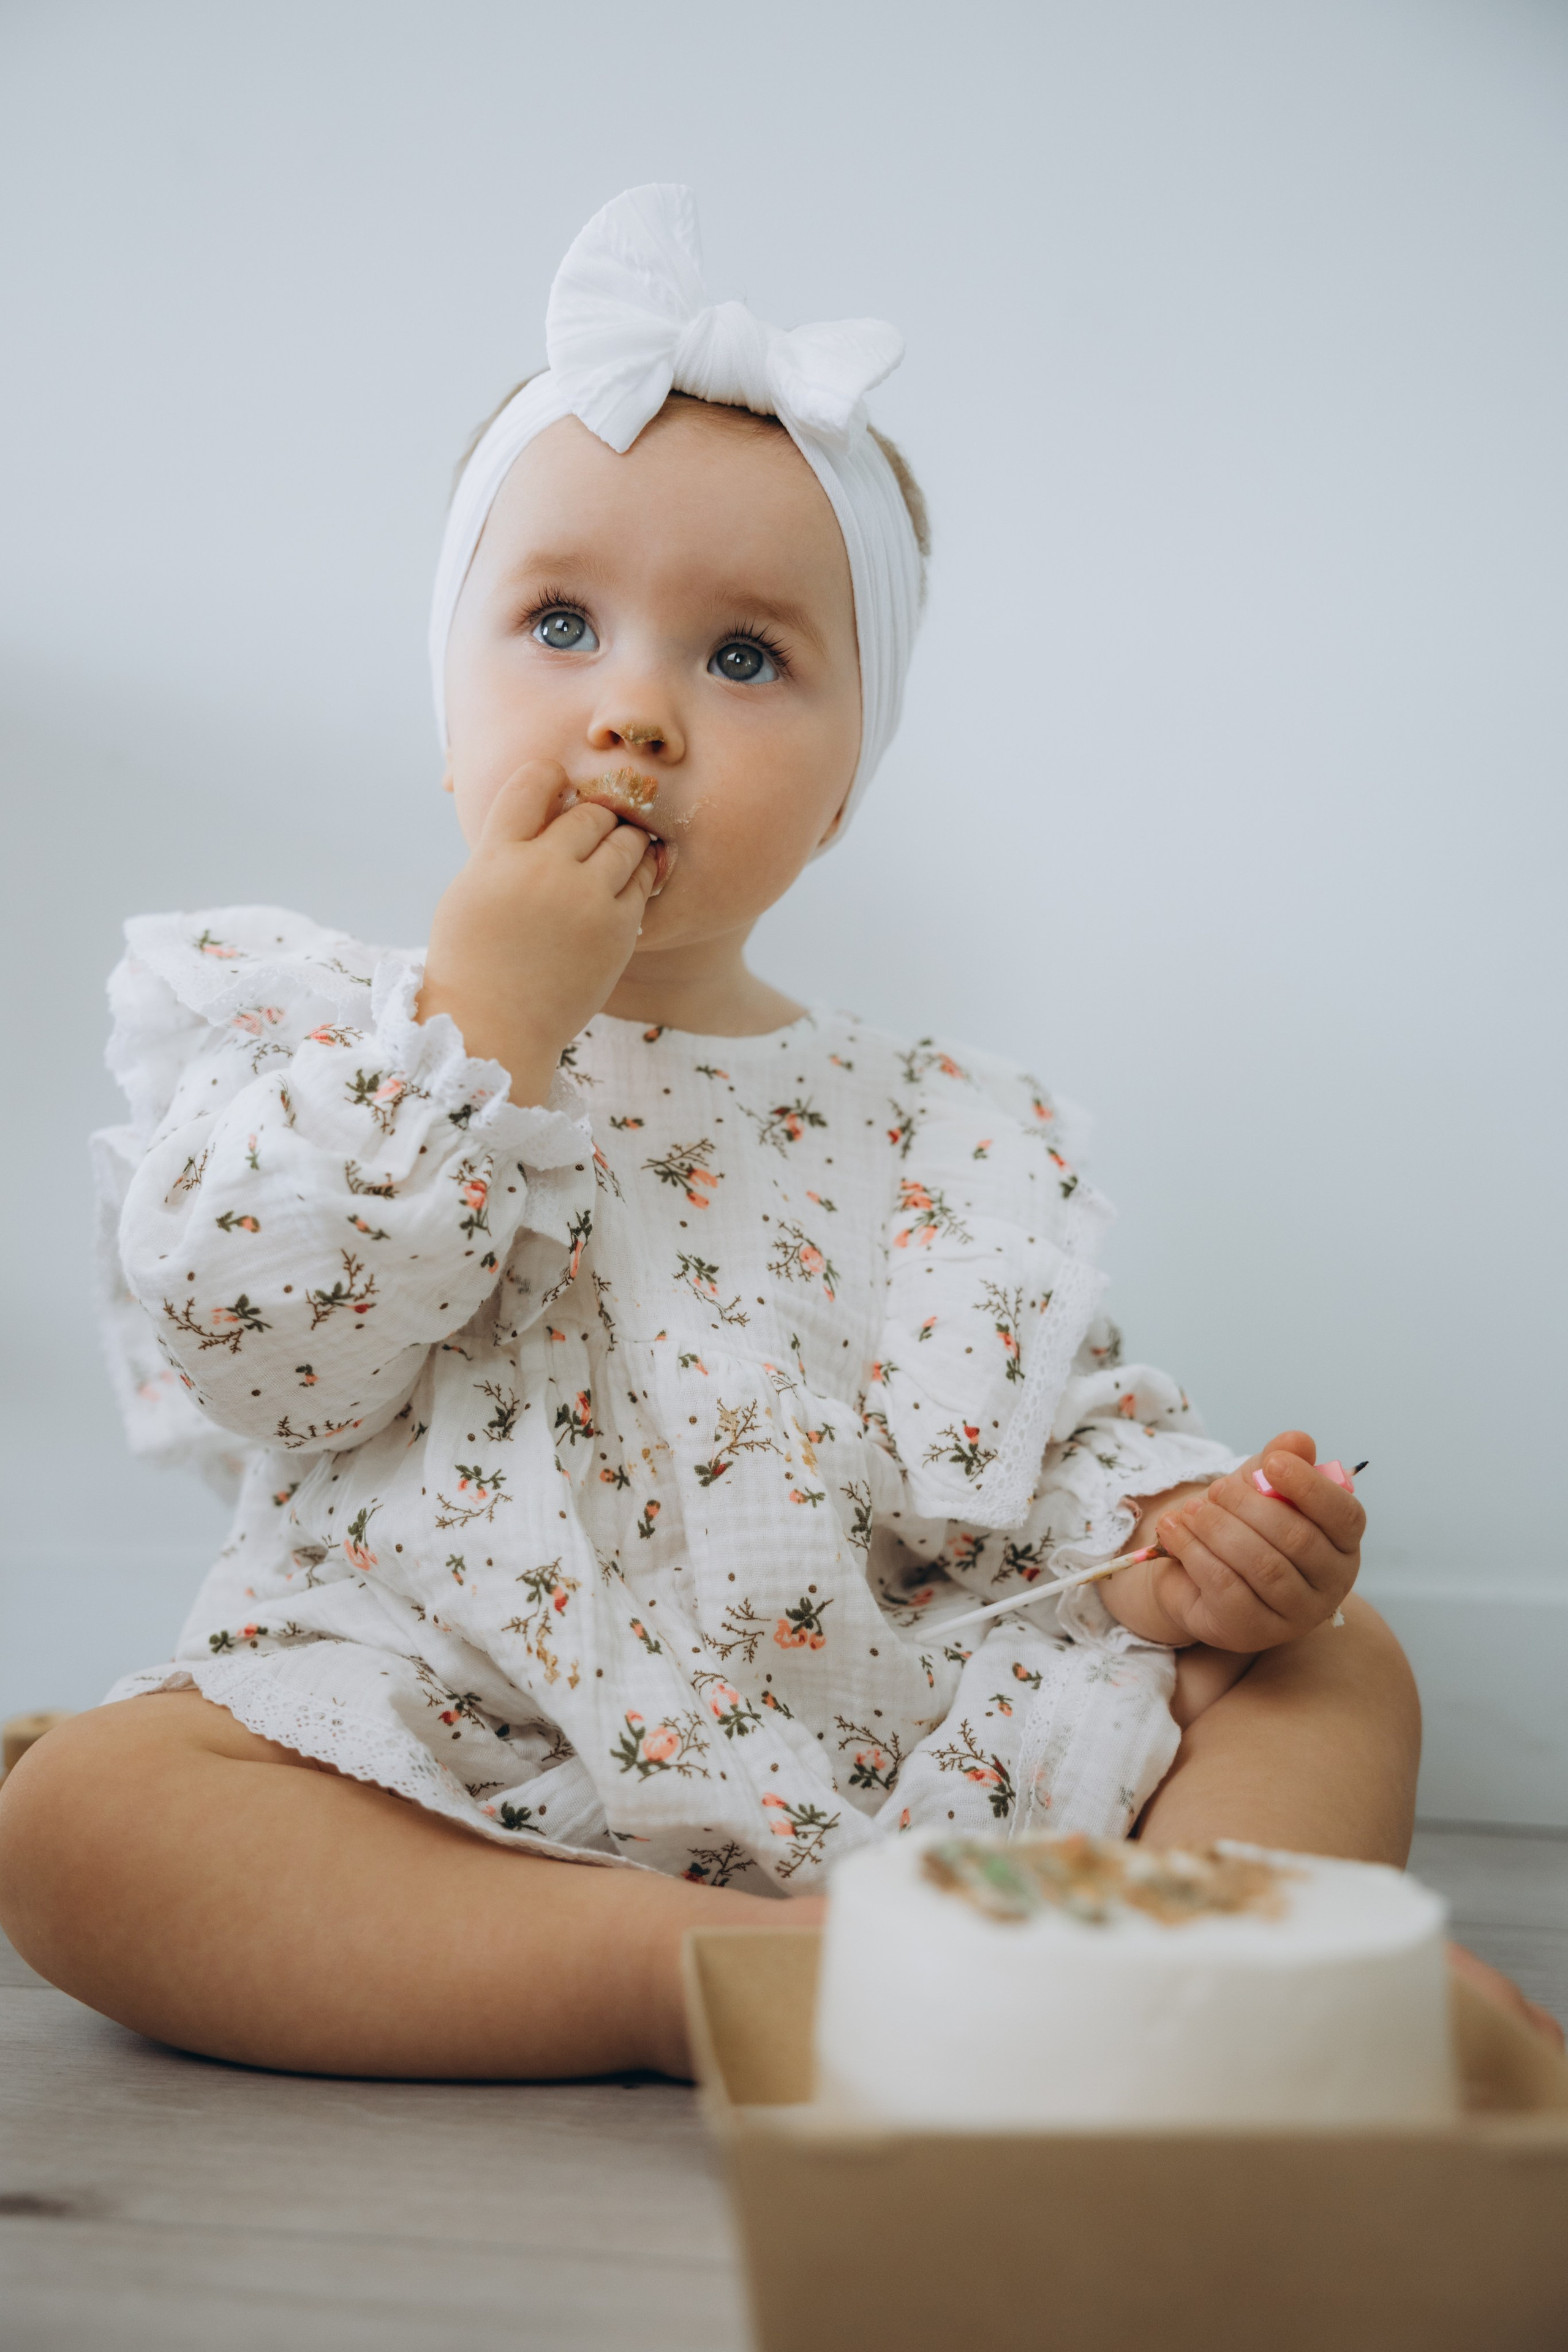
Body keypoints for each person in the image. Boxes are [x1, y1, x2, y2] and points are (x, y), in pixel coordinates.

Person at [0, 186, 1549, 2076]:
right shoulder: (320, 1032)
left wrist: (1176, 1542)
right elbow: (256, 1353)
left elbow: (1029, 1457)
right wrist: (480, 1027)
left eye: (744, 659)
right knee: (92, 1815)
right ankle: (695, 1979)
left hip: (882, 1737)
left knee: (1329, 1669)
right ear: (446, 700)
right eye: (560, 622)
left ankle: (1207, 1992)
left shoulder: (936, 1125)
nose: (635, 715)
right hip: (451, 1741)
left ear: (837, 799)